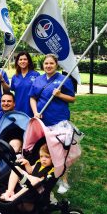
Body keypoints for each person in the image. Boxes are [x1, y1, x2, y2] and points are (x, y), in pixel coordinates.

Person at [29, 54, 75, 194]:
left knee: (61, 152)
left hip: (59, 121)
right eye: (46, 63)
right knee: (44, 150)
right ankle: (42, 174)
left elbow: (72, 99)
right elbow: (32, 98)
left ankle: (63, 180)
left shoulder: (63, 80)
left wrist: (60, 95)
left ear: (57, 65)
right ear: (43, 65)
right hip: (43, 123)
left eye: (51, 63)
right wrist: (36, 112)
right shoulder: (38, 80)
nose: (48, 66)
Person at [11, 52, 40, 117]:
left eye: (25, 59)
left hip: (32, 109)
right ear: (17, 62)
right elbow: (12, 91)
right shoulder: (15, 77)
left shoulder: (36, 75)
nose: (22, 61)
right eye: (20, 59)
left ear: (28, 61)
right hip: (18, 109)